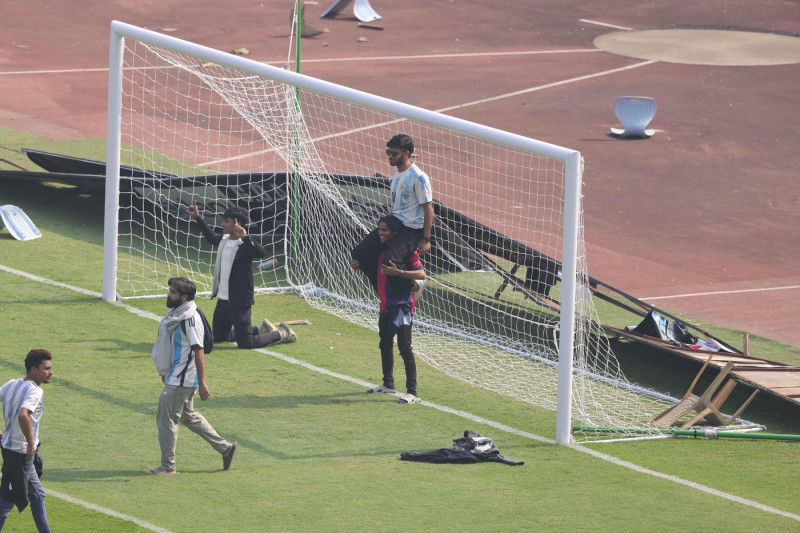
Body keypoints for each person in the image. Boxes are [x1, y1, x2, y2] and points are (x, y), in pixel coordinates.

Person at [147, 277, 237, 475]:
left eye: (172, 292)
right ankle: (225, 448)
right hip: (178, 377)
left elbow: (199, 351)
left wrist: (202, 383)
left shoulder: (190, 319)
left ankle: (168, 466)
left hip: (182, 380)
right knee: (188, 416)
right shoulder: (178, 314)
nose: (168, 295)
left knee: (166, 419)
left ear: (184, 297)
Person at [186, 202, 297, 348]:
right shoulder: (223, 241)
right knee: (218, 337)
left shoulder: (245, 245)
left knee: (246, 344)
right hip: (223, 301)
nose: (223, 224)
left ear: (237, 223)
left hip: (239, 303)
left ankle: (282, 333)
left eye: (227, 221)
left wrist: (245, 237)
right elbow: (211, 237)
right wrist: (197, 217)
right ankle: (259, 329)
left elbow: (261, 253)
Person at [351, 215, 426, 404]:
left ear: (395, 232)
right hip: (385, 305)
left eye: (385, 230)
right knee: (385, 343)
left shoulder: (406, 252)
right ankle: (388, 384)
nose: (381, 233)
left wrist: (399, 273)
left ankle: (413, 392)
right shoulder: (378, 251)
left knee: (404, 347)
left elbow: (422, 274)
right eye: (379, 229)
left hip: (402, 305)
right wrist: (358, 265)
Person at [351, 134, 433, 290]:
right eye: (388, 153)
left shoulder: (419, 177)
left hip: (410, 229)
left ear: (407, 153)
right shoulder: (397, 172)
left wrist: (425, 238)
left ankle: (414, 286)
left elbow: (428, 209)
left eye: (394, 154)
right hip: (394, 224)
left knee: (389, 265)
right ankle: (381, 289)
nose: (390, 157)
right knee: (358, 255)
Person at [0, 349, 53, 532]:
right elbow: (24, 415)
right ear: (33, 370)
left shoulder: (11, 385)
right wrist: (31, 445)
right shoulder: (35, 391)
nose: (51, 372)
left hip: (9, 450)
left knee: (30, 496)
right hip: (22, 454)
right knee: (17, 499)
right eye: (46, 368)